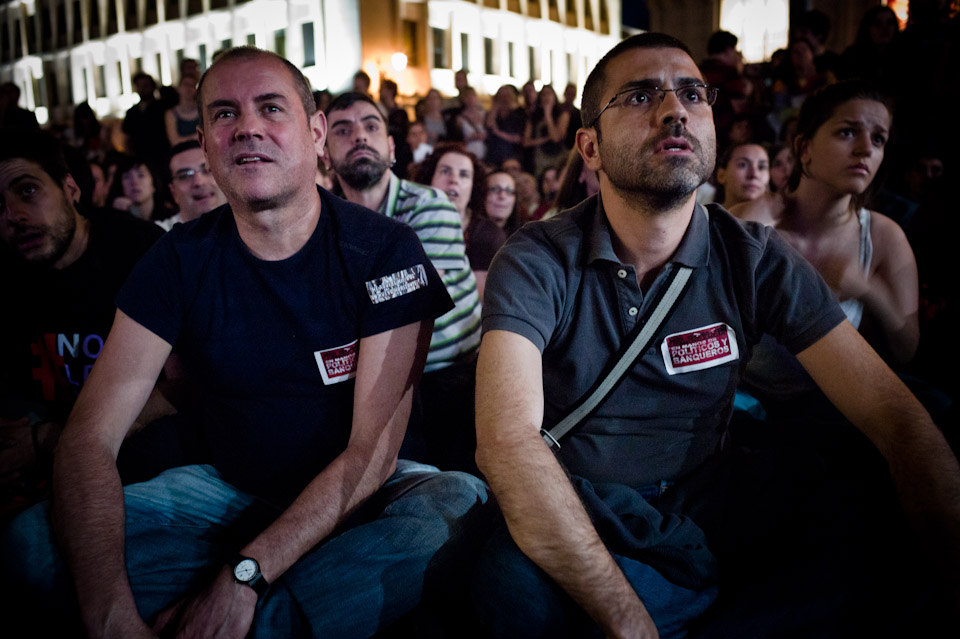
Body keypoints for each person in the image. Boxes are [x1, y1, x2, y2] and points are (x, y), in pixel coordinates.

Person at [472, 33, 960, 638]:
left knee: (882, 521)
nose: (674, 110)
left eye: (693, 94)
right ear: (590, 147)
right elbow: (507, 442)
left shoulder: (755, 256)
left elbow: (896, 416)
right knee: (509, 591)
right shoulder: (538, 257)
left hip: (709, 499)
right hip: (587, 503)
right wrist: (627, 622)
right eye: (641, 95)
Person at [1, 47, 491, 637]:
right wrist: (110, 618)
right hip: (228, 493)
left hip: (367, 498)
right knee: (31, 542)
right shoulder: (175, 260)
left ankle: (245, 619)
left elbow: (372, 456)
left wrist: (242, 577)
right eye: (225, 114)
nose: (247, 127)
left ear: (315, 134)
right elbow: (89, 438)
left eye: (271, 108)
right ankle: (289, 605)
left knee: (457, 506)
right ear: (205, 144)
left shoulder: (384, 249)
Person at [0, 129, 165, 519]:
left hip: (147, 463)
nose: (13, 217)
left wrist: (49, 440)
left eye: (27, 191)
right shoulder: (9, 277)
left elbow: (181, 388)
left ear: (70, 189)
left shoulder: (140, 250)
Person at [324, 92, 483, 473]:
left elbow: (413, 301)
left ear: (392, 147)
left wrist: (343, 296)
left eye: (371, 126)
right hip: (374, 384)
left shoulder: (429, 204)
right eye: (342, 130)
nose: (359, 135)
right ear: (324, 154)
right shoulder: (324, 223)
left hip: (450, 377)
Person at [734, 81, 918, 375]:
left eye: (878, 139)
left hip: (832, 400)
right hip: (743, 395)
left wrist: (870, 290)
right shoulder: (750, 220)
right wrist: (742, 236)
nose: (865, 149)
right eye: (847, 132)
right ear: (804, 148)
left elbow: (906, 353)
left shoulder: (884, 236)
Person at [416, 143, 506, 300]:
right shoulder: (409, 223)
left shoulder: (488, 235)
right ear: (429, 179)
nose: (454, 180)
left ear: (473, 187)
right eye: (445, 171)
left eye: (464, 175)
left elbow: (479, 300)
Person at [160, 140, 227, 229]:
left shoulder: (247, 223)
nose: (199, 182)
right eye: (184, 176)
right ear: (173, 192)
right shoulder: (159, 234)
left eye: (207, 170)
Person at [716, 143, 770, 210]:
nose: (754, 174)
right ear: (721, 175)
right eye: (743, 165)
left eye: (761, 167)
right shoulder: (705, 215)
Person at [163, 74, 200, 146]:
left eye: (192, 85)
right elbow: (174, 141)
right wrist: (196, 137)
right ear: (178, 88)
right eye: (186, 84)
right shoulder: (171, 114)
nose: (189, 88)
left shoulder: (202, 109)